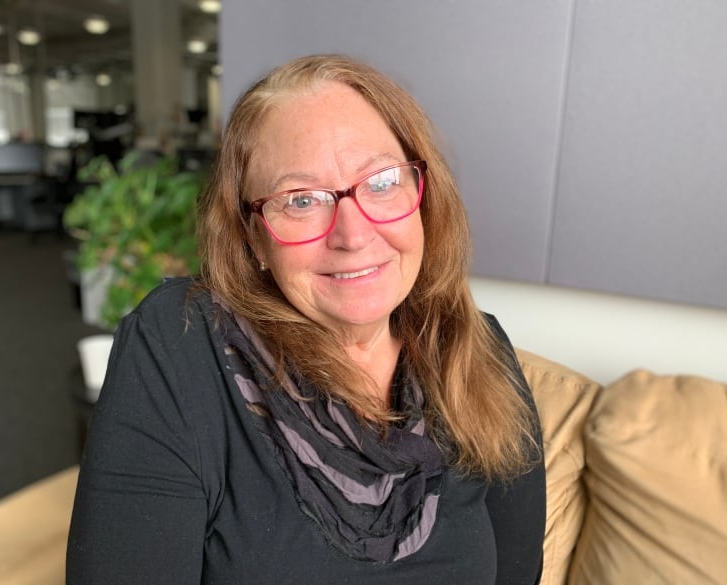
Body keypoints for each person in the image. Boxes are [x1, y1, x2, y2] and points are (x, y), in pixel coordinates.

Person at [66, 54, 546, 584]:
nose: (353, 235)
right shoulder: (180, 346)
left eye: (383, 181)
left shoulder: (479, 349)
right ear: (253, 238)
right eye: (301, 200)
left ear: (422, 195)